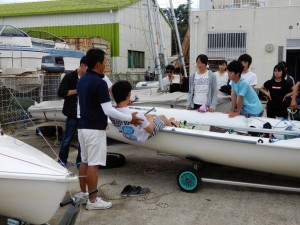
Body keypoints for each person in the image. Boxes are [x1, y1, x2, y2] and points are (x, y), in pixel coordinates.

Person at [77, 48, 142, 210]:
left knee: (85, 161)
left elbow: (93, 104)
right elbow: (108, 110)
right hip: (94, 129)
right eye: (105, 61)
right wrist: (130, 118)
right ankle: (93, 200)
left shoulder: (83, 79)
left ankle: (84, 193)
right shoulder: (99, 82)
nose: (106, 64)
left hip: (82, 127)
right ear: (98, 63)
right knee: (93, 164)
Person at [110, 80, 178, 142]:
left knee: (156, 117)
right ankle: (173, 126)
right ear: (129, 95)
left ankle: (172, 122)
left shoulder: (112, 114)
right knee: (162, 117)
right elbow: (150, 130)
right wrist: (149, 118)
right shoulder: (137, 114)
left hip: (130, 136)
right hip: (144, 136)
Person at [57, 56, 87, 168]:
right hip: (72, 114)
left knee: (82, 140)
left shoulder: (88, 78)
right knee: (67, 139)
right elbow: (61, 92)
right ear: (82, 65)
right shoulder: (69, 77)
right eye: (88, 68)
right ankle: (62, 160)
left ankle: (80, 161)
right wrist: (77, 90)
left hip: (84, 114)